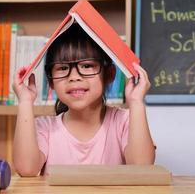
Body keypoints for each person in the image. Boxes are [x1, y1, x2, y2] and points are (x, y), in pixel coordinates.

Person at [12, 24, 155, 176]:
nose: (74, 77)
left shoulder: (125, 121)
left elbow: (142, 167)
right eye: (63, 68)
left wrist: (137, 102)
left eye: (87, 65)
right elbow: (26, 169)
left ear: (109, 74)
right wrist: (25, 101)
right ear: (51, 81)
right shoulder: (44, 128)